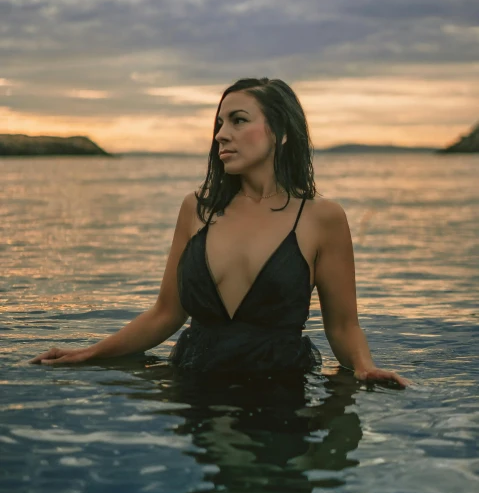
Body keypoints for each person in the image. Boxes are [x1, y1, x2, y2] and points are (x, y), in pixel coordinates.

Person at [30, 77, 408, 387]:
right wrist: (88, 353)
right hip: (193, 382)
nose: (221, 136)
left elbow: (343, 325)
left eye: (238, 121)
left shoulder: (321, 217)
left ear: (280, 132)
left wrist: (363, 367)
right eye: (219, 124)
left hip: (279, 391)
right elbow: (166, 313)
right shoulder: (198, 208)